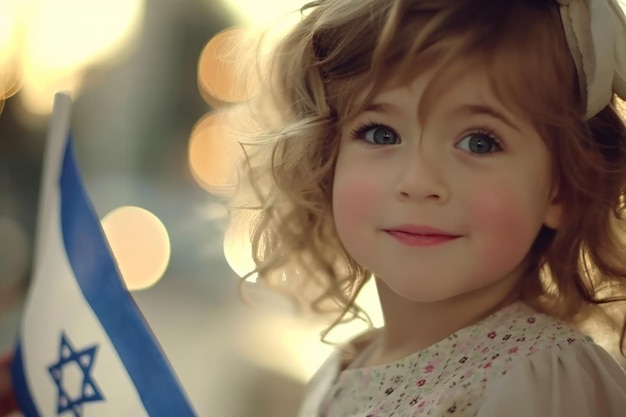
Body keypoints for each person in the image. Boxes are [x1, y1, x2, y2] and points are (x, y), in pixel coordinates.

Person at [227, 0, 626, 415]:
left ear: (563, 190)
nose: (418, 182)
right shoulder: (342, 370)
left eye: (479, 142)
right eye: (382, 134)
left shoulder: (540, 381)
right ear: (325, 161)